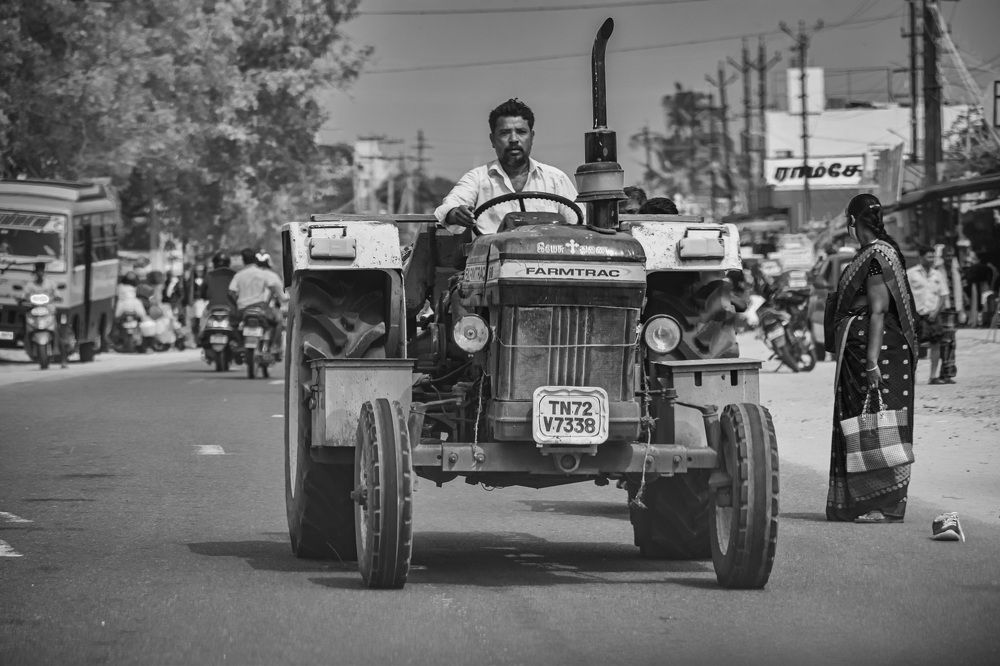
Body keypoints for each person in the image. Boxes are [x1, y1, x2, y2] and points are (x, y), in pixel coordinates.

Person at [826, 194, 918, 523]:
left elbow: (878, 311)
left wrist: (871, 362)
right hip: (867, 350)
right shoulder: (872, 253)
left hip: (881, 353)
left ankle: (886, 505)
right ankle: (863, 502)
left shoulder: (877, 256)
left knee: (880, 424)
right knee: (862, 424)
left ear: (853, 222)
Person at [434, 98, 580, 235]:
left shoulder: (556, 179)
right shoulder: (477, 178)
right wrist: (456, 213)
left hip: (546, 253)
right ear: (492, 140)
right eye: (504, 133)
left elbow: (580, 221)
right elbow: (447, 208)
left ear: (532, 137)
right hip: (492, 253)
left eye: (521, 132)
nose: (514, 139)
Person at [228, 248, 285, 354]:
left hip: (243, 310)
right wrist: (271, 301)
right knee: (277, 322)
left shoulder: (238, 275)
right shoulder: (263, 274)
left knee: (231, 324)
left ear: (243, 260)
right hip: (260, 309)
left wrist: (236, 304)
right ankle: (274, 347)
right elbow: (273, 288)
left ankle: (240, 344)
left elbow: (231, 292)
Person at [906, 244, 950, 384]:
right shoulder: (911, 274)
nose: (932, 259)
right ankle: (912, 377)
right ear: (921, 257)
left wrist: (936, 312)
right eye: (929, 256)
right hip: (916, 315)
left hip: (933, 315)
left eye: (933, 256)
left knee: (936, 344)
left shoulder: (938, 274)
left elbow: (943, 295)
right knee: (913, 346)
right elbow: (905, 294)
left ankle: (933, 376)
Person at [21, 261, 68, 368]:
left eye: (41, 271)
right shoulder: (30, 285)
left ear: (44, 271)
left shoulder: (50, 283)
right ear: (35, 272)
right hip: (34, 312)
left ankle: (63, 359)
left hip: (49, 312)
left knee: (58, 333)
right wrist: (22, 299)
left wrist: (58, 297)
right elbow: (24, 295)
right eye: (38, 271)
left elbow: (57, 293)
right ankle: (27, 347)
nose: (40, 273)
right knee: (24, 329)